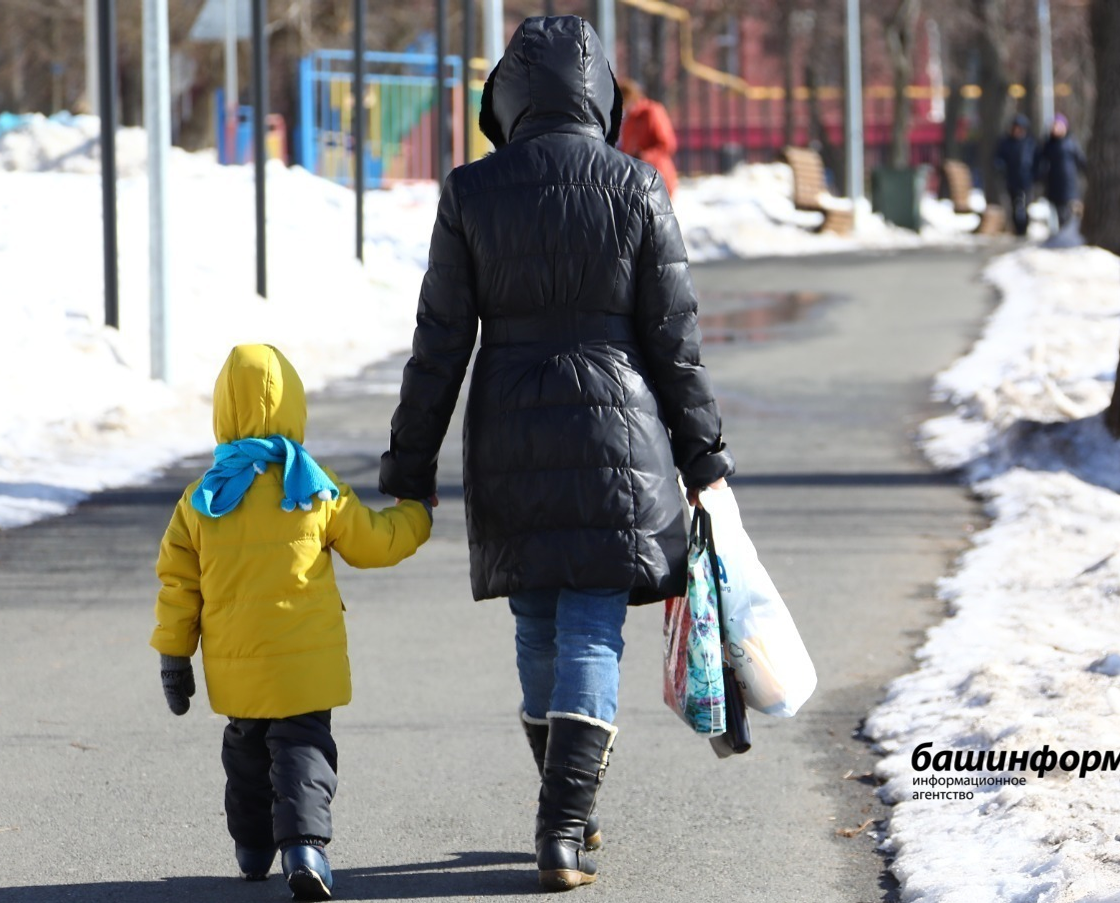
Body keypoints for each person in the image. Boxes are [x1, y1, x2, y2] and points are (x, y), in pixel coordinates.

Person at [379, 15, 732, 892]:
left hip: (510, 428)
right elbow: (674, 341)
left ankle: (565, 809)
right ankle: (565, 822)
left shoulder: (471, 191)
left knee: (538, 620)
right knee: (589, 625)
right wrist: (704, 458)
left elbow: (439, 343)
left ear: (506, 98)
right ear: (600, 94)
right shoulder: (638, 185)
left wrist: (410, 467)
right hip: (620, 433)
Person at [152, 344, 432, 900]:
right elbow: (375, 543)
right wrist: (417, 514)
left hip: (238, 668)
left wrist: (174, 657)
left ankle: (253, 848)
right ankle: (304, 848)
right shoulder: (313, 488)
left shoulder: (200, 500)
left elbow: (178, 586)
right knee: (303, 749)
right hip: (306, 665)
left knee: (246, 753)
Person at [618, 79, 680, 196]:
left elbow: (667, 144)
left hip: (657, 176)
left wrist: (644, 156)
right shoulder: (629, 120)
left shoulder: (652, 112)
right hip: (638, 180)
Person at [1037, 113, 1087, 230]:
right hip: (1053, 182)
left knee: (1067, 210)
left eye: (1059, 126)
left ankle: (1067, 231)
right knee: (1058, 209)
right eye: (1054, 126)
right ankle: (1062, 232)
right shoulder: (1048, 144)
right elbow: (1040, 162)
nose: (1056, 129)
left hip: (1068, 182)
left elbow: (1081, 160)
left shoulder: (1071, 143)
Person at [994, 114, 1036, 236]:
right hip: (1011, 179)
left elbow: (1036, 159)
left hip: (1026, 179)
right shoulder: (1006, 142)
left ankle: (1023, 228)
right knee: (1015, 205)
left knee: (1023, 205)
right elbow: (999, 157)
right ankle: (1017, 229)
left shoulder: (1029, 142)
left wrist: (1035, 174)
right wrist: (1000, 166)